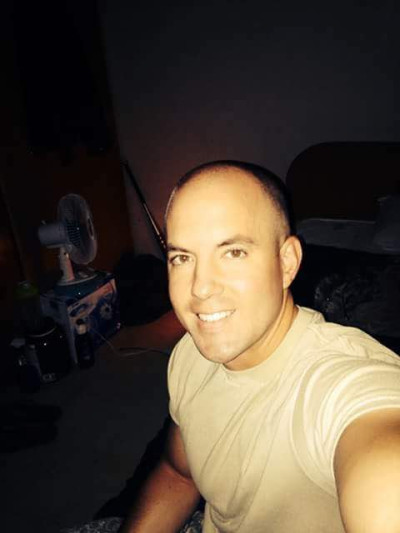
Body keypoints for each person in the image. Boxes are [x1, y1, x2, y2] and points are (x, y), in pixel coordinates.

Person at [120, 160, 400, 533]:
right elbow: (178, 473)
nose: (200, 287)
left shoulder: (342, 386)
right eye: (182, 258)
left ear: (287, 263)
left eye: (233, 252)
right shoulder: (188, 354)